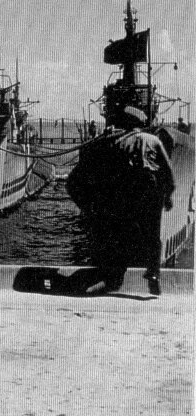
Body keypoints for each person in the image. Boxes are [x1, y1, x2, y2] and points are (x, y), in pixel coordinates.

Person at [67, 106, 175, 295]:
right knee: (152, 235)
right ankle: (154, 274)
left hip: (125, 192)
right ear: (141, 124)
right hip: (150, 192)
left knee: (122, 235)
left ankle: (115, 277)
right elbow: (168, 173)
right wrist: (168, 196)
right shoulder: (153, 140)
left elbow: (90, 174)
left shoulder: (114, 142)